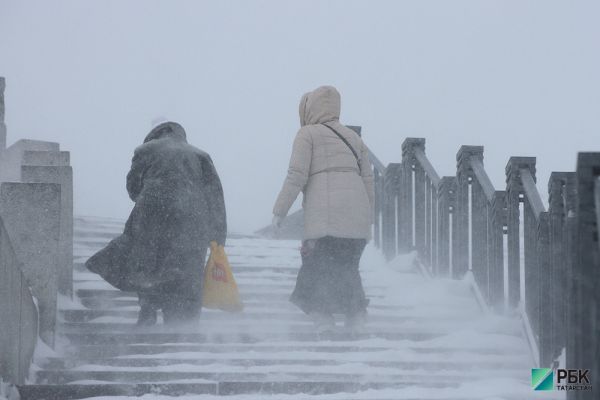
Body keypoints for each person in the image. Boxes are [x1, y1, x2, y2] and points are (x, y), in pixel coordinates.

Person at [86, 121, 227, 326]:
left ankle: (148, 308)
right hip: (192, 220)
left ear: (155, 134)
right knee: (184, 269)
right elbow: (215, 198)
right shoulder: (200, 155)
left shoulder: (146, 150)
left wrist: (153, 198)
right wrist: (218, 237)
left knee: (148, 263)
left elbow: (133, 187)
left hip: (152, 216)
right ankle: (182, 325)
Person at [272, 86, 374, 333]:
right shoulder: (354, 138)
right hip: (356, 218)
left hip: (325, 219)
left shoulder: (307, 134)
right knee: (347, 267)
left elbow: (297, 174)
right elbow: (368, 179)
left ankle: (324, 320)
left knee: (316, 269)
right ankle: (356, 316)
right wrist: (368, 217)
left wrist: (280, 210)